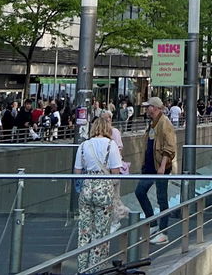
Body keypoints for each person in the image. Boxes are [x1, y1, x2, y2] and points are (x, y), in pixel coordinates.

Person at [74, 110, 126, 272]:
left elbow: (77, 171)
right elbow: (116, 172)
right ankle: (96, 268)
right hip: (104, 189)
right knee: (101, 231)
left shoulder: (84, 145)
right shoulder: (111, 145)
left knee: (84, 230)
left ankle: (82, 268)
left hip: (87, 187)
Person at [134, 96, 177, 245]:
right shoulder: (152, 123)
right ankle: (152, 223)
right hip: (150, 167)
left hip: (159, 167)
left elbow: (170, 147)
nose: (146, 109)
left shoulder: (165, 123)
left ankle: (164, 232)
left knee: (162, 198)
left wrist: (163, 166)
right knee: (140, 192)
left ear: (155, 108)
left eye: (148, 107)